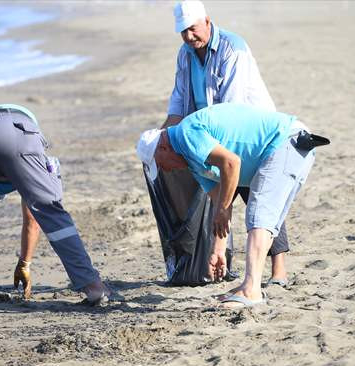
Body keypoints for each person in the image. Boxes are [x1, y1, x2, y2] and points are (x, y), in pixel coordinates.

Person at [137, 103, 321, 307]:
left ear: (163, 147)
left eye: (160, 164)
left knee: (259, 215)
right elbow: (219, 200)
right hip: (286, 147)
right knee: (265, 220)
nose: (165, 170)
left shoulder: (185, 134)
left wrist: (223, 209)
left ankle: (251, 290)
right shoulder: (192, 160)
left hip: (287, 141)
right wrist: (218, 250)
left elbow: (231, 163)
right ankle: (252, 286)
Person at [161, 0, 290, 286]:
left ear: (207, 21)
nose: (189, 36)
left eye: (193, 29)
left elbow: (231, 108)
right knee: (219, 195)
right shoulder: (185, 55)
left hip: (247, 132)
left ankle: (278, 268)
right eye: (183, 32)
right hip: (210, 133)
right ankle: (222, 257)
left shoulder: (234, 48)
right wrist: (164, 138)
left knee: (257, 195)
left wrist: (206, 143)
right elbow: (178, 102)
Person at [0, 104, 112, 309]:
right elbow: (33, 219)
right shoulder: (17, 169)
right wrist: (24, 263)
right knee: (51, 212)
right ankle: (93, 287)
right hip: (19, 130)